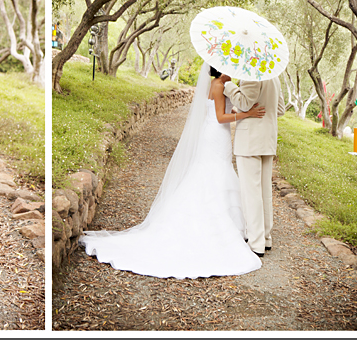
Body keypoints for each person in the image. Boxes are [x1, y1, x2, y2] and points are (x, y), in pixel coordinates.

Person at [79, 62, 266, 278]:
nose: (232, 70)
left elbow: (222, 109)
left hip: (219, 135)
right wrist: (248, 114)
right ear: (219, 69)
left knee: (217, 173)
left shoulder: (225, 84)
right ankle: (210, 224)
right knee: (212, 173)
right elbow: (220, 118)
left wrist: (238, 109)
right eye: (227, 67)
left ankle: (230, 224)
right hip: (215, 134)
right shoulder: (217, 84)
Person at [223, 73, 286, 256]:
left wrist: (229, 86)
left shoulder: (251, 75)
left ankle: (256, 244)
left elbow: (243, 103)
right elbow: (280, 109)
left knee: (251, 193)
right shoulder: (273, 75)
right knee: (264, 192)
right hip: (267, 139)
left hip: (250, 140)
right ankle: (266, 239)